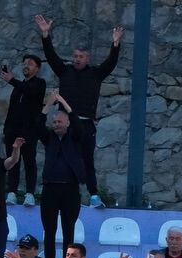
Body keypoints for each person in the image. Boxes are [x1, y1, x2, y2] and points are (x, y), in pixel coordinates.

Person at [34, 15, 122, 208]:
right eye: (75, 56)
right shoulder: (64, 71)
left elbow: (110, 63)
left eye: (81, 57)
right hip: (65, 126)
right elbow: (51, 56)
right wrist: (45, 35)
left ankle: (93, 196)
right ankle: (58, 194)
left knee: (87, 160)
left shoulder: (96, 74)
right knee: (61, 158)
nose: (77, 59)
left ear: (87, 58)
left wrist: (115, 45)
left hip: (85, 124)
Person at [39, 96, 87, 258]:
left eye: (60, 121)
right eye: (54, 122)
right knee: (49, 229)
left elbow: (78, 124)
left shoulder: (75, 137)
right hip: (50, 189)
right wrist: (48, 104)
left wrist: (64, 103)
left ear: (67, 123)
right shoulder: (48, 138)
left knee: (68, 230)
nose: (57, 124)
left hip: (70, 189)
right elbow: (38, 125)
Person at [1, 55, 46, 206]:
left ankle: (30, 193)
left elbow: (30, 90)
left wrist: (12, 80)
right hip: (12, 131)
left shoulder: (39, 83)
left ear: (37, 68)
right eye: (25, 63)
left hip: (29, 131)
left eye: (30, 64)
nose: (26, 66)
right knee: (12, 161)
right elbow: (11, 110)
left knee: (29, 161)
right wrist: (6, 129)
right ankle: (12, 192)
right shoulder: (18, 87)